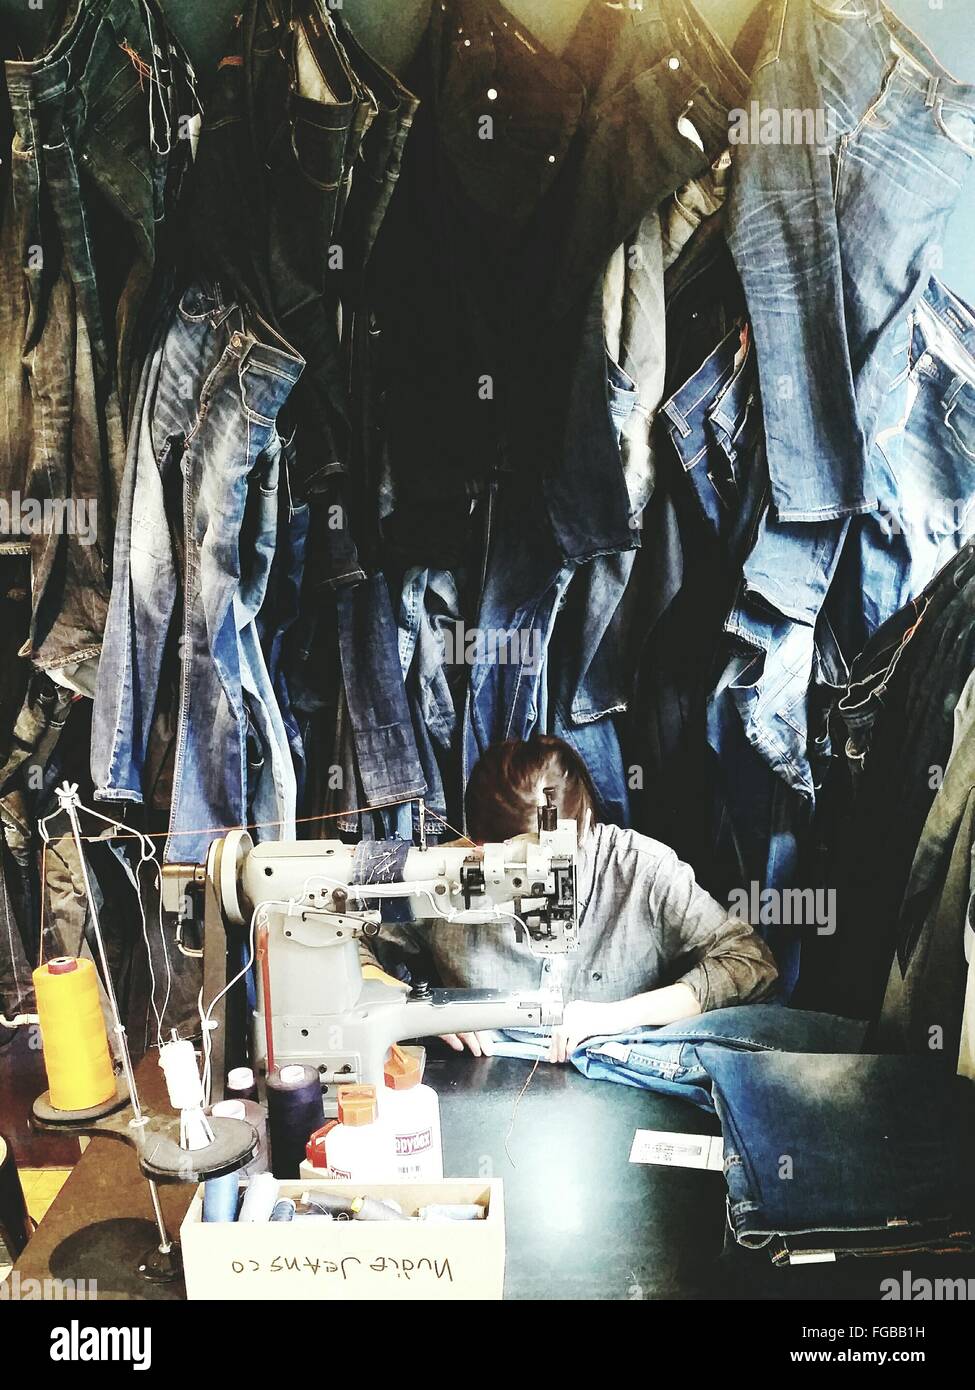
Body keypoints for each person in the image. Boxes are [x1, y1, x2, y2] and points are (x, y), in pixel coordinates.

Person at [368, 736, 778, 1063]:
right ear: (477, 846)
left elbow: (751, 964)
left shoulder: (641, 871)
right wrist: (419, 1007)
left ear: (584, 822)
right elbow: (351, 945)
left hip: (613, 1079)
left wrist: (618, 1015)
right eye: (518, 876)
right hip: (482, 1080)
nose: (540, 896)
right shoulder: (445, 873)